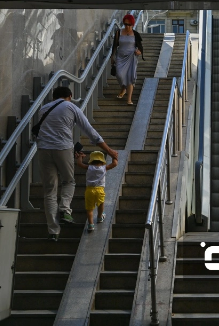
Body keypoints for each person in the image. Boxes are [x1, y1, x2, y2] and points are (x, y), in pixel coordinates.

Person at [37, 86, 119, 241]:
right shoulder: (71, 106)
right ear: (70, 96)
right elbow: (90, 132)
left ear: (54, 97)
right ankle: (64, 209)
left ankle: (53, 231)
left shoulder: (43, 109)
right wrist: (109, 151)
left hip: (43, 149)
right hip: (63, 147)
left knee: (49, 191)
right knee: (68, 181)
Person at [76, 151, 118, 231]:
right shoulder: (104, 168)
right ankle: (99, 217)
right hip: (100, 190)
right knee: (101, 203)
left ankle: (91, 224)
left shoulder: (89, 167)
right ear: (102, 160)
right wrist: (114, 156)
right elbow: (115, 164)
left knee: (89, 208)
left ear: (91, 160)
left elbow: (79, 164)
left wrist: (80, 157)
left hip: (89, 190)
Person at [111, 14, 143, 105]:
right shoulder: (119, 32)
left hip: (131, 57)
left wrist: (139, 52)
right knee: (119, 74)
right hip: (120, 57)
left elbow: (140, 47)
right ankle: (123, 87)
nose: (127, 26)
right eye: (125, 24)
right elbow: (114, 46)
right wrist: (112, 57)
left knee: (130, 77)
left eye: (129, 25)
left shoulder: (135, 34)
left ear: (132, 24)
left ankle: (129, 99)